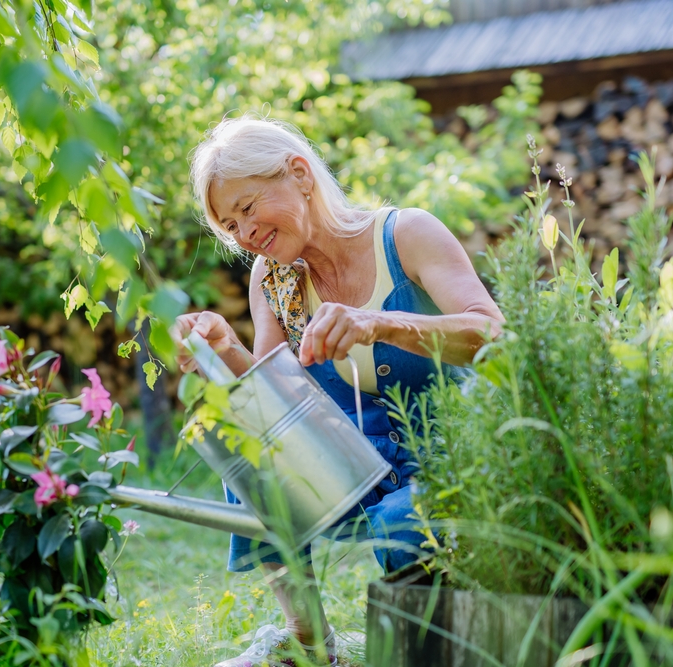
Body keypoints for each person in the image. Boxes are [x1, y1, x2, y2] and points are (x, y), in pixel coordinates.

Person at [172, 117, 504, 667]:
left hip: (453, 460)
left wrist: (382, 324)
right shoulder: (271, 279)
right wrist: (226, 350)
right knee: (248, 441)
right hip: (355, 467)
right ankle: (309, 643)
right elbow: (280, 407)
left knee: (404, 521)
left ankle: (437, 646)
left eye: (249, 208)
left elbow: (493, 334)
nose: (243, 233)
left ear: (299, 174)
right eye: (229, 225)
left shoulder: (406, 234)